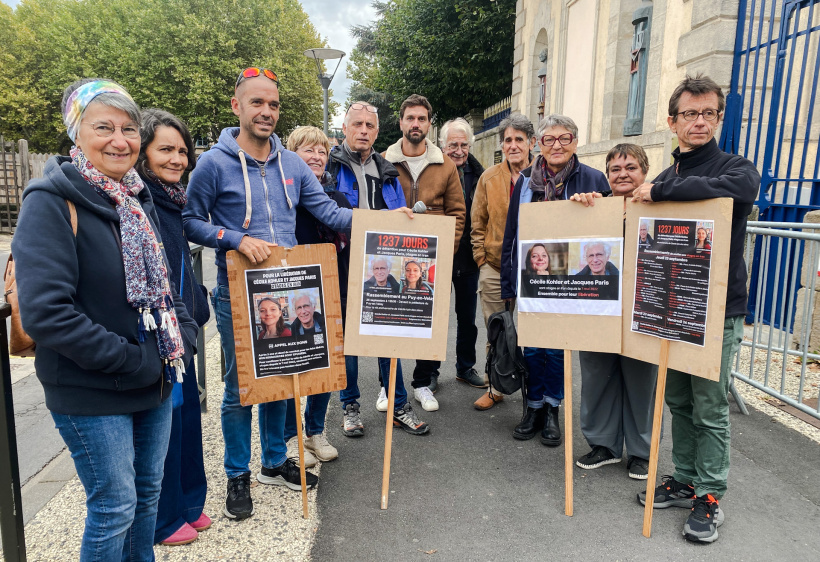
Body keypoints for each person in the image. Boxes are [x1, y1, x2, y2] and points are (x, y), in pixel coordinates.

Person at [12, 79, 198, 560]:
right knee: (114, 506)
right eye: (104, 127)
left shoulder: (137, 198)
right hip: (91, 386)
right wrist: (134, 360)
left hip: (153, 378)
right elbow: (47, 314)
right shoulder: (50, 200)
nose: (120, 139)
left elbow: (164, 286)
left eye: (129, 128)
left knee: (147, 497)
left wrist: (186, 337)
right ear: (77, 132)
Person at [183, 67, 355, 521]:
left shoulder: (293, 164)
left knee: (283, 378)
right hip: (237, 293)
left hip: (289, 286)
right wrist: (233, 238)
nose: (266, 112)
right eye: (257, 103)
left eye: (273, 105)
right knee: (241, 389)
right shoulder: (213, 164)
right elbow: (190, 221)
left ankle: (274, 463)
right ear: (236, 106)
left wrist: (386, 223)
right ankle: (237, 474)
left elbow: (328, 213)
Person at [633, 74, 759, 543]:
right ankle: (685, 477)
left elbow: (738, 191)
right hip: (672, 307)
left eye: (709, 113)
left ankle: (709, 495)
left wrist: (661, 193)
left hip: (718, 310)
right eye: (691, 113)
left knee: (710, 406)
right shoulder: (666, 174)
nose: (700, 121)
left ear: (719, 119)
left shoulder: (735, 167)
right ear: (673, 122)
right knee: (679, 400)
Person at [501, 114, 609, 445]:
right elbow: (512, 234)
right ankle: (532, 407)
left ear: (575, 143)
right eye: (549, 139)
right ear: (540, 144)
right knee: (532, 349)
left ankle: (552, 409)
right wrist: (509, 284)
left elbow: (607, 234)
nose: (556, 146)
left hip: (570, 283)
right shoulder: (523, 182)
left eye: (564, 139)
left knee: (558, 351)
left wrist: (597, 205)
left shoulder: (592, 179)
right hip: (534, 280)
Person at [136, 108, 211, 547]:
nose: (177, 159)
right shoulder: (141, 199)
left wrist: (195, 305)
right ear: (144, 152)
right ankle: (164, 520)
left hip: (183, 331)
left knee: (186, 420)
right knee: (165, 425)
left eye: (182, 150)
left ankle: (188, 504)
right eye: (166, 149)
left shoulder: (171, 198)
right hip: (162, 336)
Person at [328, 102, 426, 436]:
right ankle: (350, 406)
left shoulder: (387, 169)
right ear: (345, 128)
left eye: (370, 125)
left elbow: (399, 218)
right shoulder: (329, 166)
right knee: (348, 343)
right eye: (357, 124)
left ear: (377, 131)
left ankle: (398, 404)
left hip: (380, 265)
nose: (364, 131)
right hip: (342, 263)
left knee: (387, 335)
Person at [569, 143, 659, 481]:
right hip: (599, 311)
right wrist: (576, 206)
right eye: (615, 169)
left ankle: (640, 452)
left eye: (630, 167)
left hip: (642, 309)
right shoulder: (595, 206)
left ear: (644, 172)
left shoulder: (660, 208)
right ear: (607, 175)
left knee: (641, 380)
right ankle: (603, 445)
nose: (623, 174)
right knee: (597, 376)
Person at [384, 94, 466, 412]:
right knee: (389, 318)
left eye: (422, 119)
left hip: (433, 258)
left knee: (427, 322)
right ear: (401, 122)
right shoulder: (384, 160)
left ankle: (422, 383)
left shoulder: (445, 165)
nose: (415, 124)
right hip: (393, 256)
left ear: (429, 124)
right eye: (410, 118)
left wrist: (445, 254)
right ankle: (387, 384)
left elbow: (457, 213)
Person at [471, 114, 536, 410]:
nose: (513, 145)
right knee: (496, 329)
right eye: (508, 140)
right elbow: (478, 222)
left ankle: (534, 394)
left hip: (535, 271)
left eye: (519, 140)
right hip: (495, 267)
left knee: (534, 334)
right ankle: (495, 386)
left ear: (531, 143)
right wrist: (481, 258)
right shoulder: (489, 178)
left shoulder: (543, 176)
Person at [285, 125, 339, 467]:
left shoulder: (336, 197)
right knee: (291, 365)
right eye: (309, 150)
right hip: (294, 288)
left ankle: (316, 430)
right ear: (293, 156)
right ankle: (292, 437)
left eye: (322, 151)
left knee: (326, 365)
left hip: (331, 290)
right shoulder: (285, 196)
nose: (317, 156)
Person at [439, 118, 486, 389]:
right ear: (442, 146)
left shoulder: (480, 175)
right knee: (433, 317)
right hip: (441, 254)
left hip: (468, 256)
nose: (458, 150)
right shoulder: (435, 170)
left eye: (463, 144)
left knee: (467, 318)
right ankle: (429, 372)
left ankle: (465, 367)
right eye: (452, 145)